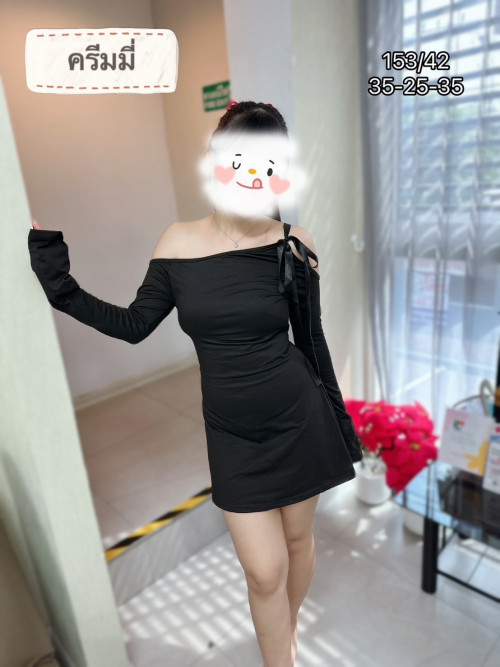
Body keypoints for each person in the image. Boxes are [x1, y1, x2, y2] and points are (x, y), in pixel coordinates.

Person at [28, 100, 362, 667]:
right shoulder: (177, 242)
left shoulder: (293, 242)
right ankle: (280, 643)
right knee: (264, 571)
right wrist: (61, 286)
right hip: (232, 435)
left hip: (298, 419)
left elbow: (312, 341)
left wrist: (341, 424)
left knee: (298, 543)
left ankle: (285, 639)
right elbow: (134, 325)